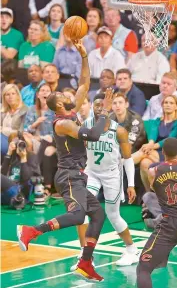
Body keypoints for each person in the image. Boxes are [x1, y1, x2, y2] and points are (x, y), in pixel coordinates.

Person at [17, 40, 113, 282]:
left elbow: (83, 82)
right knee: (78, 216)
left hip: (78, 175)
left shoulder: (72, 110)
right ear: (59, 103)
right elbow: (93, 135)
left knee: (98, 215)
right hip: (69, 175)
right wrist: (104, 113)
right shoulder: (63, 123)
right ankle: (31, 231)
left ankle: (85, 261)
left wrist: (83, 56)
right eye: (61, 93)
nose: (65, 92)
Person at [70, 93, 139, 271]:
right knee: (81, 211)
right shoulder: (86, 125)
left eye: (103, 105)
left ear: (109, 108)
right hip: (92, 173)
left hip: (111, 176)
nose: (99, 108)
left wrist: (130, 184)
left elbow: (127, 159)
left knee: (113, 215)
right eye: (97, 105)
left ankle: (132, 250)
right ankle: (85, 255)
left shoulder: (119, 130)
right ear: (92, 107)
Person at [137, 137, 177, 288]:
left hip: (167, 225)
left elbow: (155, 189)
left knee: (143, 268)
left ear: (163, 152)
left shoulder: (153, 171)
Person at [133, 95, 177, 191]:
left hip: (171, 154)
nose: (168, 105)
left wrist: (151, 146)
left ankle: (124, 162)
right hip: (155, 152)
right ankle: (149, 195)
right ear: (162, 105)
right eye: (166, 102)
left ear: (176, 106)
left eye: (171, 103)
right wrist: (150, 144)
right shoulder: (157, 121)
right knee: (144, 163)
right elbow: (153, 135)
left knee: (144, 152)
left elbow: (169, 140)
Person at [23, 83, 56, 196]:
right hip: (34, 140)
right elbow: (26, 130)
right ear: (37, 94)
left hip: (50, 141)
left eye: (47, 90)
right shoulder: (32, 110)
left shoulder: (54, 111)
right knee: (25, 139)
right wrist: (35, 124)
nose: (45, 92)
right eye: (42, 90)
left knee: (45, 142)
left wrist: (39, 137)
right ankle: (25, 181)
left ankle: (37, 177)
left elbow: (54, 134)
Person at [1, 131, 41, 206]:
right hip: (8, 191)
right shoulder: (11, 156)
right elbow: (3, 174)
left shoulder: (32, 156)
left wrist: (23, 158)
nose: (17, 145)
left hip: (21, 192)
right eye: (15, 143)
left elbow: (27, 180)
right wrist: (8, 153)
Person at [1, 84, 28, 158]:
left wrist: (3, 130)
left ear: (18, 95)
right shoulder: (2, 110)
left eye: (13, 94)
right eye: (7, 94)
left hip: (15, 139)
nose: (10, 96)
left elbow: (21, 131)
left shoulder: (25, 110)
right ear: (4, 97)